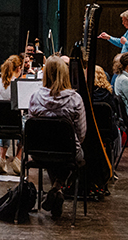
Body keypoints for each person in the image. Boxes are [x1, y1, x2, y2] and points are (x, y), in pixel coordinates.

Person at [28, 55, 87, 220]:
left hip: (39, 152)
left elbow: (31, 128)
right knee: (70, 155)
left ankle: (56, 191)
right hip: (68, 152)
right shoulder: (75, 99)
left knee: (51, 154)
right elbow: (81, 134)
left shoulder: (34, 97)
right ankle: (56, 188)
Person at [0, 55, 24, 174]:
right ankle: (18, 158)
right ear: (18, 69)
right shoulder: (17, 85)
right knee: (27, 125)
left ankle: (2, 158)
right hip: (14, 124)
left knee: (6, 121)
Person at [98, 9, 128, 75]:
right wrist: (109, 37)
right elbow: (121, 43)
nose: (123, 23)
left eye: (124, 21)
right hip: (126, 62)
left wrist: (126, 42)